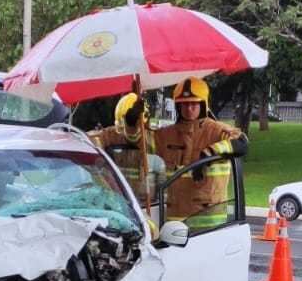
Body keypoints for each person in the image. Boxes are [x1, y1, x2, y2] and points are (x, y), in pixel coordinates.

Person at [153, 78, 246, 231]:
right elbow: (141, 147)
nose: (189, 109)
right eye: (184, 104)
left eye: (194, 103)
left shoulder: (217, 131)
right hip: (175, 222)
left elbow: (242, 144)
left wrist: (209, 153)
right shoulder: (165, 135)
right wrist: (132, 123)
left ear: (203, 104)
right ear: (178, 105)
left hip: (209, 223)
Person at [89, 93, 166, 213]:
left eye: (135, 121)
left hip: (148, 208)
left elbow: (164, 191)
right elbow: (91, 141)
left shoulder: (153, 139)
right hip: (119, 205)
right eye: (128, 121)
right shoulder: (110, 136)